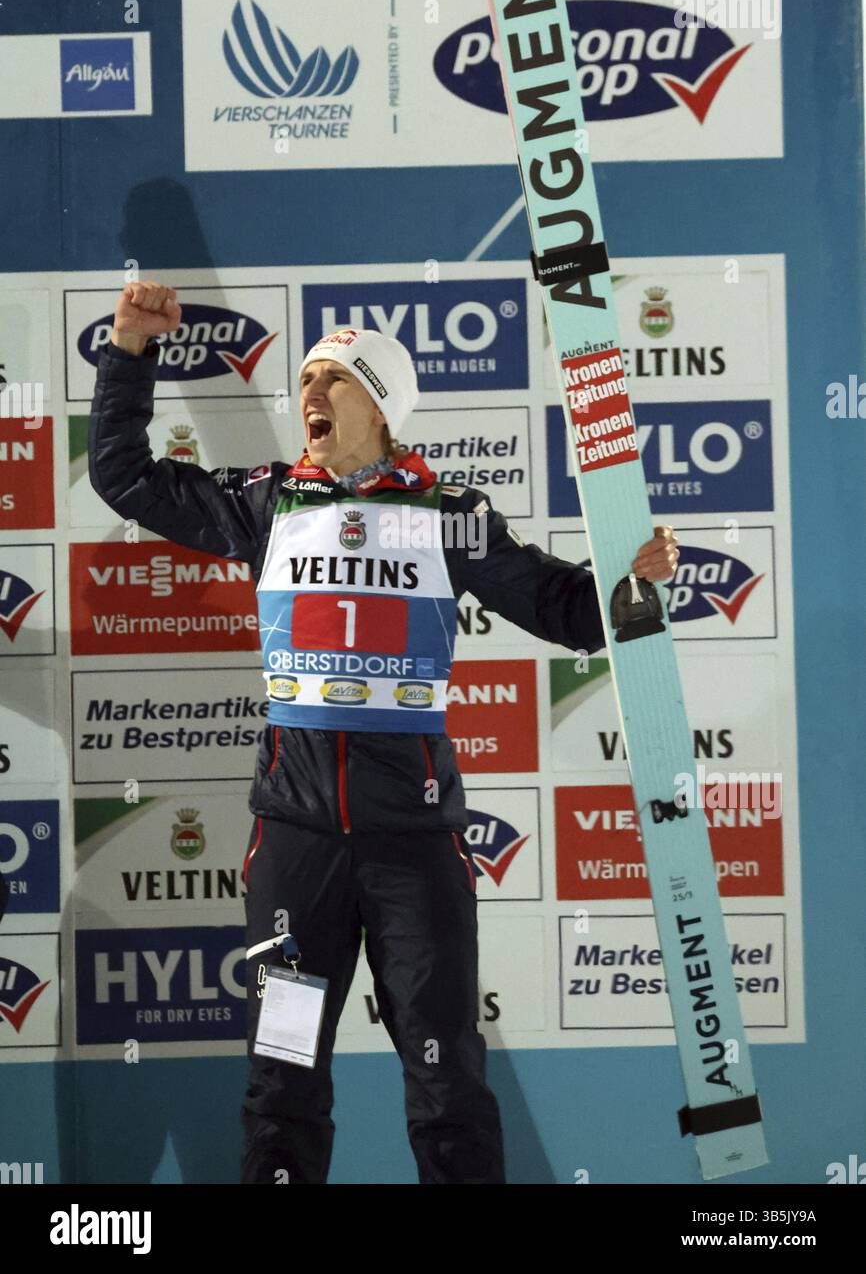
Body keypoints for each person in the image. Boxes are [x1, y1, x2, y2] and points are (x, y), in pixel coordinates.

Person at [89, 280, 679, 1186]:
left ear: (383, 402)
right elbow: (124, 476)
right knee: (282, 1082)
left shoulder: (450, 516)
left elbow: (564, 609)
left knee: (447, 1088)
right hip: (296, 843)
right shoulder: (267, 503)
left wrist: (634, 587)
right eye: (306, 378)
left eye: (334, 380)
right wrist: (130, 350)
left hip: (415, 848)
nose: (310, 396)